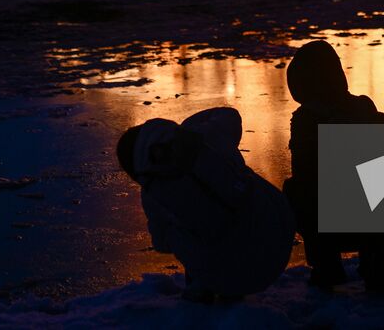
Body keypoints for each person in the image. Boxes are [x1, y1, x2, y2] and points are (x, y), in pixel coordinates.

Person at [116, 107, 294, 303]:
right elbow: (230, 115)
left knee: (174, 230)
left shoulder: (153, 195)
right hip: (280, 241)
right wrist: (187, 129)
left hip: (236, 279)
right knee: (243, 181)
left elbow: (162, 245)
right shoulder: (205, 136)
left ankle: (203, 286)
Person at [281, 40, 384, 291]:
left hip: (336, 228)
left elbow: (306, 180)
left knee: (294, 191)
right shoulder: (366, 107)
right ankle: (375, 258)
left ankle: (327, 266)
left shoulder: (306, 120)